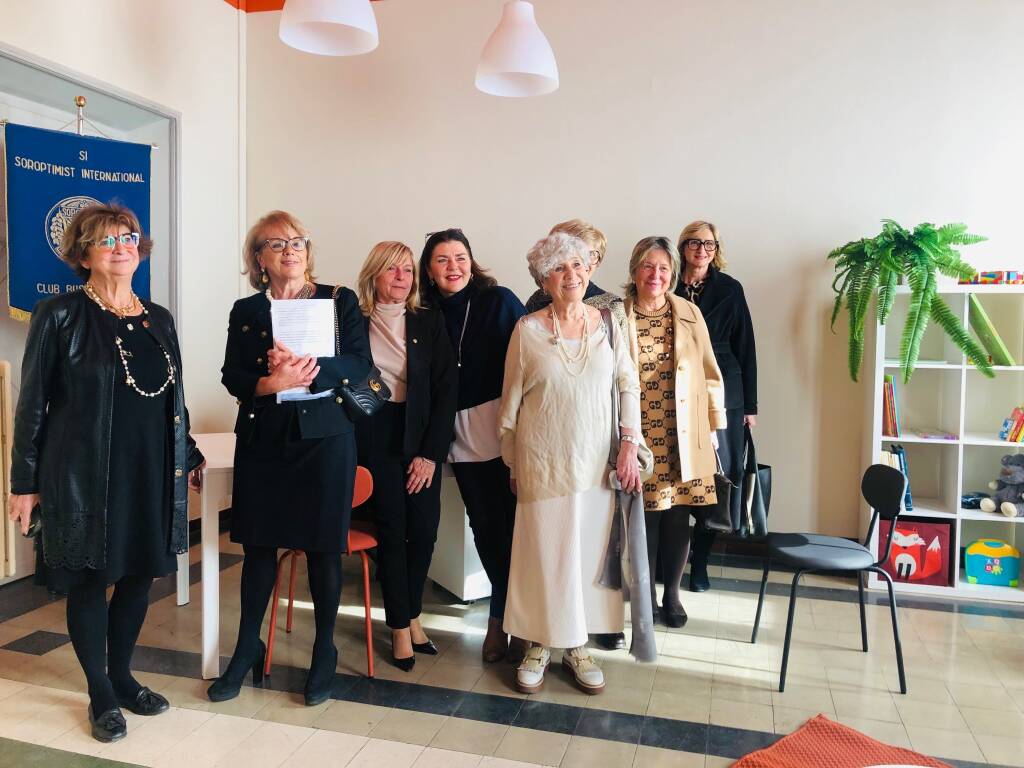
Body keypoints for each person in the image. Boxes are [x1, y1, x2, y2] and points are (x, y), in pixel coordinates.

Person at [9, 204, 204, 743]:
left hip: (150, 470)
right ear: (84, 253)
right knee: (92, 580)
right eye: (107, 240)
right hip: (84, 473)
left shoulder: (159, 318)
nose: (122, 247)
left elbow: (173, 398)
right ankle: (100, 692)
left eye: (129, 237)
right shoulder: (60, 314)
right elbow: (32, 405)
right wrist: (23, 483)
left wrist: (187, 455)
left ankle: (122, 677)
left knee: (140, 574)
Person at [211, 210, 371, 706]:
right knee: (258, 548)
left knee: (323, 549)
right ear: (258, 258)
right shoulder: (246, 309)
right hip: (264, 438)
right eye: (277, 244)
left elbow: (360, 364)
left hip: (325, 439)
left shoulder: (338, 300)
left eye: (297, 241)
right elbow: (232, 375)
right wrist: (269, 382)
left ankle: (324, 650)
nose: (290, 250)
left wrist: (306, 369)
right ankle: (246, 648)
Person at [499, 232, 643, 695]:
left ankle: (578, 646)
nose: (571, 275)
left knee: (586, 557)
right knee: (544, 555)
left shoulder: (609, 323)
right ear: (544, 279)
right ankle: (539, 643)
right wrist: (514, 463)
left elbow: (628, 384)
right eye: (559, 268)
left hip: (596, 462)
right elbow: (510, 405)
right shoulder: (527, 330)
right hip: (542, 460)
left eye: (578, 265)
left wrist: (629, 443)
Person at [419, 228, 526, 663]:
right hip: (461, 435)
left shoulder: (499, 300)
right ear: (429, 270)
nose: (453, 267)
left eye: (460, 257)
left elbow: (531, 356)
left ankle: (515, 619)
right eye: (442, 260)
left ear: (472, 261)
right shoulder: (423, 314)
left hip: (508, 429)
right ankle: (501, 615)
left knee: (519, 529)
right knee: (486, 529)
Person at [355, 241, 457, 671]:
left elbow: (445, 391)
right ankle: (400, 626)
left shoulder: (428, 320)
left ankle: (412, 614)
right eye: (392, 269)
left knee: (425, 530)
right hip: (373, 433)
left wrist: (430, 454)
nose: (402, 277)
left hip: (419, 435)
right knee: (393, 532)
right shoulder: (353, 320)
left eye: (408, 270)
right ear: (374, 274)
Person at [624, 236, 725, 626]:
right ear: (634, 270)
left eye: (664, 268)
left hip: (683, 430)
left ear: (673, 274)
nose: (656, 275)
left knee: (679, 515)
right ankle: (646, 596)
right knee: (645, 517)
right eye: (648, 266)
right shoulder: (617, 315)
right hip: (639, 432)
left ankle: (673, 595)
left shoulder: (688, 312)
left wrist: (714, 426)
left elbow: (710, 372)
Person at [674, 221, 757, 592]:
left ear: (716, 249)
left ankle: (702, 562)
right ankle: (673, 560)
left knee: (717, 479)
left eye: (709, 244)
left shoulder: (730, 289)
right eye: (694, 242)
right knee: (679, 474)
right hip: (677, 386)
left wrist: (750, 406)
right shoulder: (667, 284)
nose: (702, 250)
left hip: (724, 388)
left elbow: (746, 346)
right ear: (683, 247)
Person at [524, 218, 627, 335]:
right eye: (569, 254)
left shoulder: (612, 305)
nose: (585, 262)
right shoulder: (537, 300)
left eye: (591, 254)